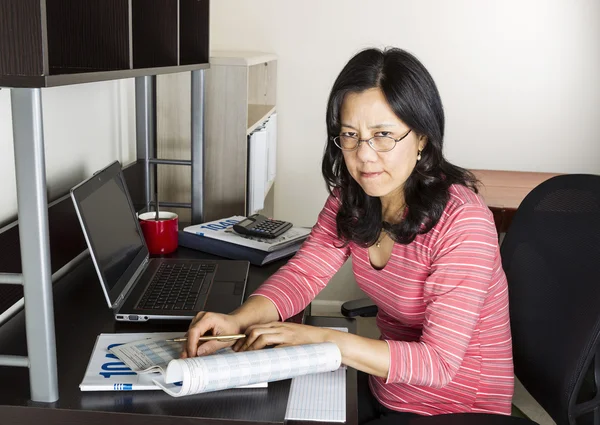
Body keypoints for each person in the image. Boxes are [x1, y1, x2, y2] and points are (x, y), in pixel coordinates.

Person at [182, 47, 514, 424]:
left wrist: (322, 341)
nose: (365, 155)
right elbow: (305, 273)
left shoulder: (463, 223)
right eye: (350, 136)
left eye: (383, 135)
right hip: (385, 387)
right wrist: (238, 320)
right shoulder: (354, 197)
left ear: (421, 137)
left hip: (457, 407)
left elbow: (437, 364)